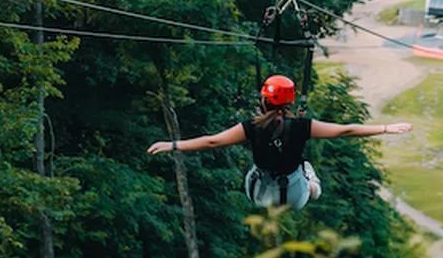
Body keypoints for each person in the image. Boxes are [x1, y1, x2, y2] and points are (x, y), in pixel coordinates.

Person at [147, 75, 413, 210]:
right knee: (311, 185)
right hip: (295, 196)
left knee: (261, 170)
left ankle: (305, 175)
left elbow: (212, 142)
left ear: (264, 100)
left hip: (257, 193)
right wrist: (387, 128)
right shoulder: (303, 126)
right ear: (290, 102)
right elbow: (345, 130)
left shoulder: (251, 127)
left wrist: (172, 145)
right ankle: (312, 179)